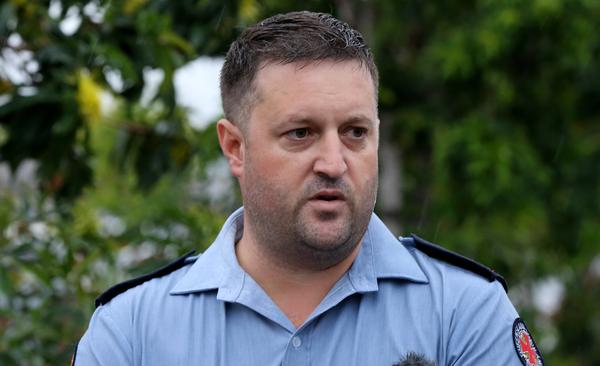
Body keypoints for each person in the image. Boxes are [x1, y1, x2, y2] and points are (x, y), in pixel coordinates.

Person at [73, 11, 543, 366]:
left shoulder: (463, 312)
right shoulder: (131, 331)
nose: (335, 163)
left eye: (355, 132)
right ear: (235, 147)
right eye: (301, 133)